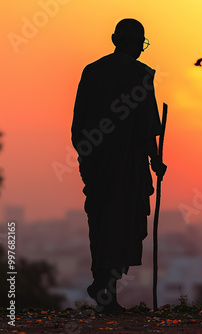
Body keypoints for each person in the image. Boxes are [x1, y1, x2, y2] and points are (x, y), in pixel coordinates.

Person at [71, 18, 167, 314]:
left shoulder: (92, 72)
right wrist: (155, 160)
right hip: (126, 169)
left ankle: (104, 288)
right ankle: (104, 288)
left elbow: (79, 125)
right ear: (136, 43)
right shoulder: (141, 75)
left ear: (115, 38)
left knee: (102, 224)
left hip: (99, 165)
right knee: (121, 224)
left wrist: (89, 157)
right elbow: (147, 127)